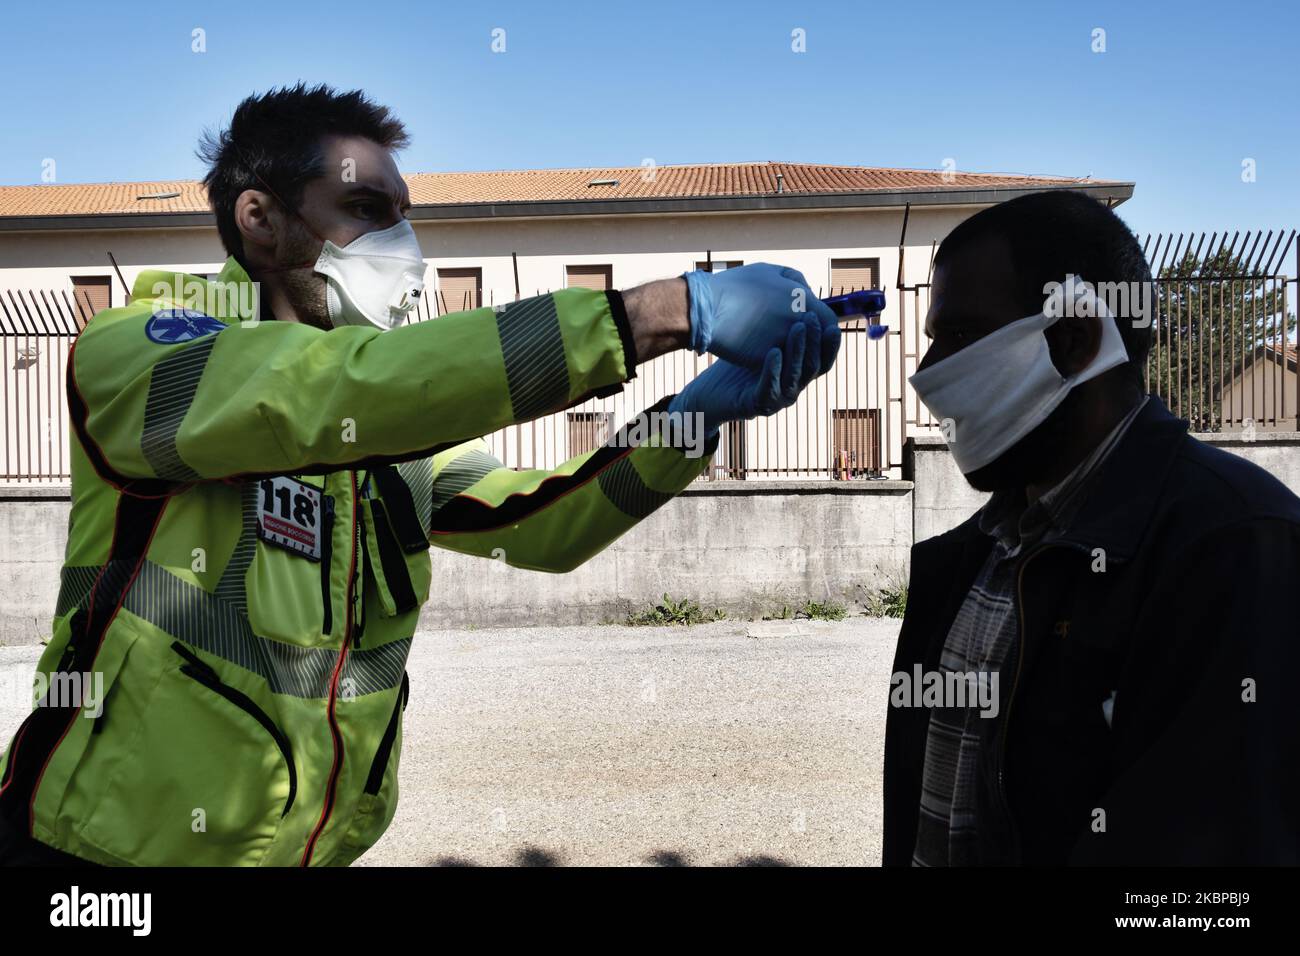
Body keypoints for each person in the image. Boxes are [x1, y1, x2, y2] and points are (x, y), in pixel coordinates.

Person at [0, 84, 840, 866]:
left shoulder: (392, 429)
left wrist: (699, 415)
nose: (402, 246)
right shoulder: (139, 346)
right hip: (92, 860)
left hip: (306, 852)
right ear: (259, 216)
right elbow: (314, 394)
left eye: (405, 217)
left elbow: (540, 524)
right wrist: (667, 311)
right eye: (367, 210)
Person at [884, 189, 1300, 865]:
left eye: (957, 336)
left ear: (1071, 340)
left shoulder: (1240, 549)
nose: (927, 374)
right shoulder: (979, 552)